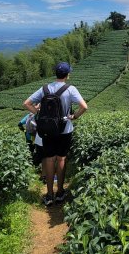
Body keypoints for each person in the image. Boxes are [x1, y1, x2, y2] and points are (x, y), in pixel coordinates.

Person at [23, 61, 88, 206]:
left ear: (56, 73)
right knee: (61, 159)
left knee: (49, 159)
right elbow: (84, 106)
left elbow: (26, 103)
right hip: (65, 130)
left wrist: (39, 115)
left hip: (47, 131)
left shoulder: (45, 88)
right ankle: (60, 193)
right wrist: (74, 116)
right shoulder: (70, 89)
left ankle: (49, 195)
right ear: (67, 74)